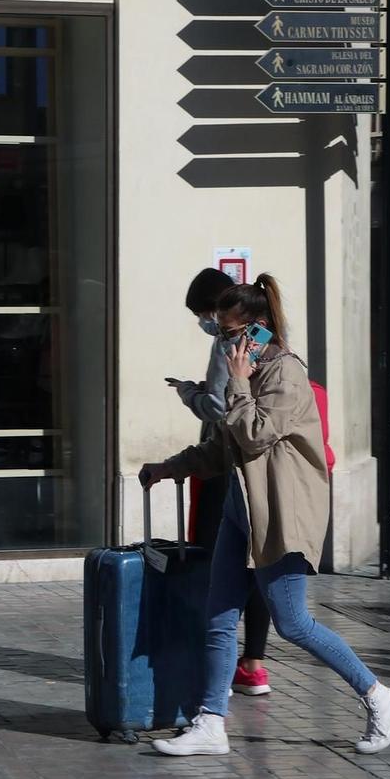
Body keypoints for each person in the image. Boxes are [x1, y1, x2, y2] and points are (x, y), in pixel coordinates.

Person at [145, 276, 390, 757]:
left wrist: (238, 383)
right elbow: (223, 449)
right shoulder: (255, 372)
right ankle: (210, 724)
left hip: (281, 516)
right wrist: (170, 467)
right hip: (242, 512)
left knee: (294, 623)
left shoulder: (284, 374)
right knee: (219, 617)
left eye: (229, 332)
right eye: (220, 332)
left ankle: (379, 695)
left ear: (257, 329)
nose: (223, 342)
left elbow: (255, 434)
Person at [169, 266, 274, 697]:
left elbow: (218, 407)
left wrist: (188, 393)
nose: (205, 324)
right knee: (259, 565)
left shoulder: (226, 342)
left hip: (228, 462)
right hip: (262, 465)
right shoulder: (268, 336)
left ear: (218, 309)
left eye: (204, 314)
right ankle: (254, 663)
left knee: (222, 566)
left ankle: (219, 666)